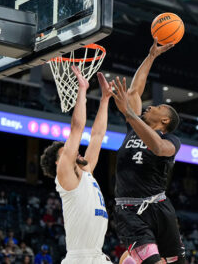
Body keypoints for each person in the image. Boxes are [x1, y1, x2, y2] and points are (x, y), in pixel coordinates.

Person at [109, 38, 185, 264]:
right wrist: (151, 56)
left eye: (158, 107)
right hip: (129, 211)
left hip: (160, 208)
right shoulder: (133, 128)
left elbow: (158, 148)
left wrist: (130, 114)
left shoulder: (171, 139)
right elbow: (134, 91)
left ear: (165, 120)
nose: (150, 106)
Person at [40, 68, 113, 264]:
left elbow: (97, 135)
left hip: (98, 256)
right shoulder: (65, 177)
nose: (76, 151)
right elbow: (77, 128)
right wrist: (82, 89)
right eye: (68, 151)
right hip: (79, 258)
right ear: (59, 162)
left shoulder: (86, 171)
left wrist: (105, 99)